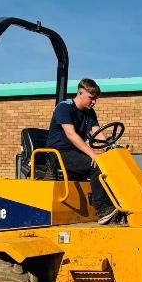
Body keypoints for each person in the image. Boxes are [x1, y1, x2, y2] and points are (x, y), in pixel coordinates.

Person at [46, 78, 118, 224]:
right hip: (58, 153)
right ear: (80, 93)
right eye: (91, 98)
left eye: (96, 99)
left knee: (109, 165)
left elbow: (97, 134)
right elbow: (71, 135)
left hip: (74, 152)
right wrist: (93, 154)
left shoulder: (90, 113)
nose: (94, 102)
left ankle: (115, 206)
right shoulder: (64, 108)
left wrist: (110, 147)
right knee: (96, 165)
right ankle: (102, 209)